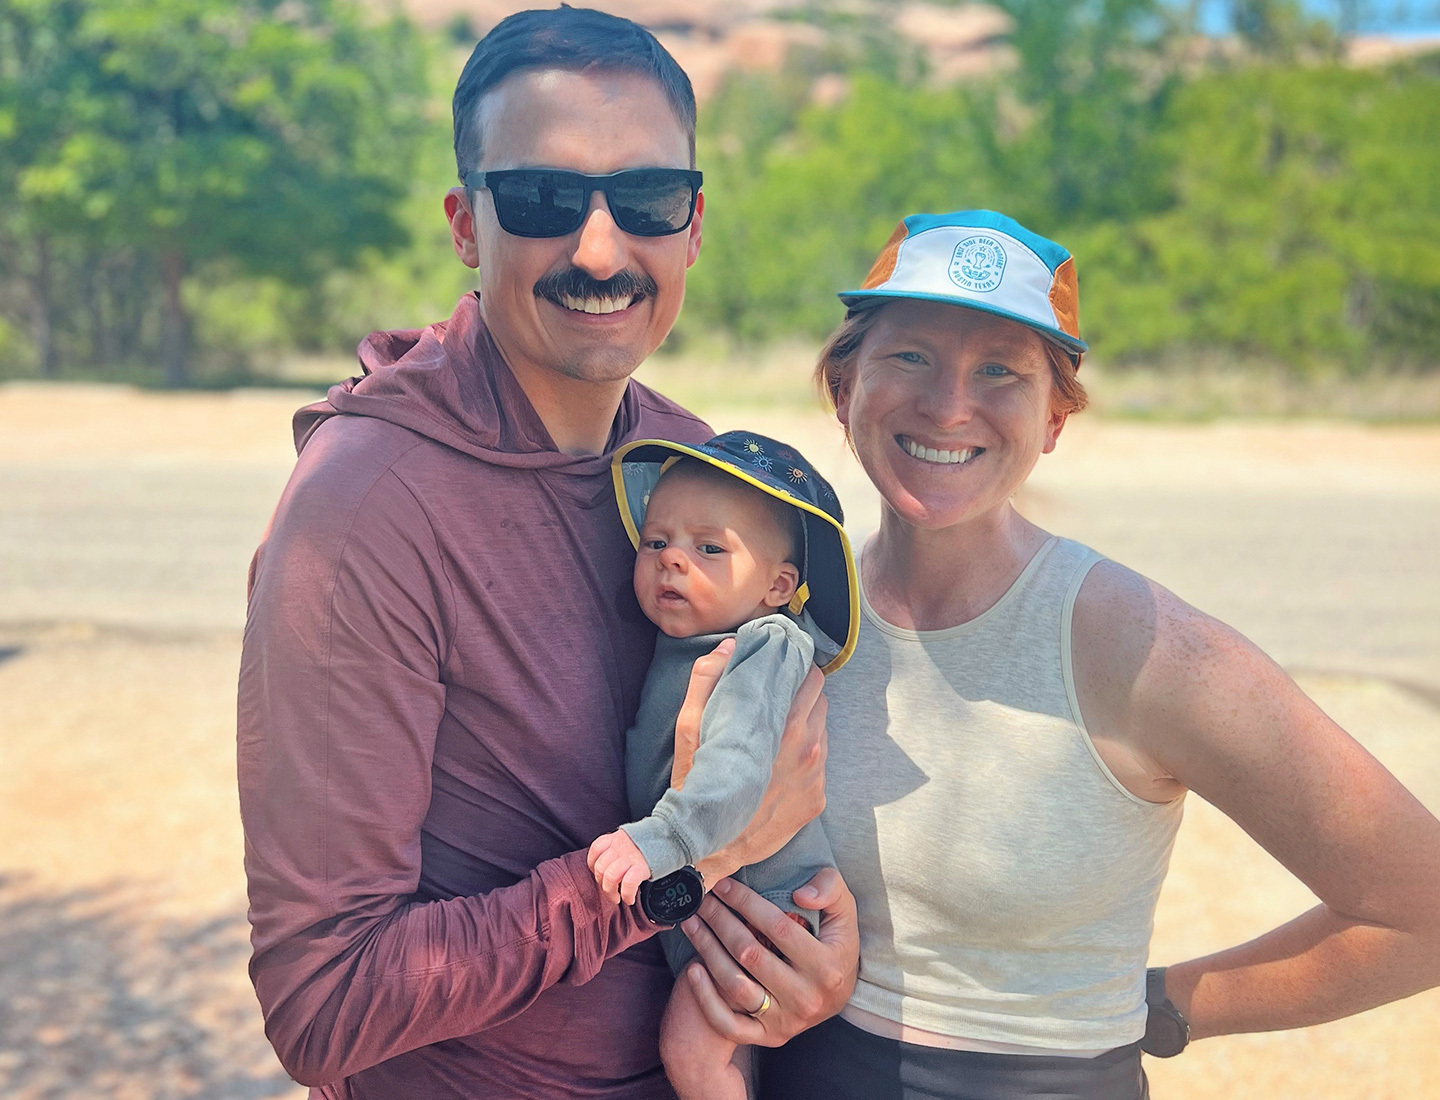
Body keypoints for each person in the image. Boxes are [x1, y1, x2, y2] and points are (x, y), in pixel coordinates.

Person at [668, 210, 1440, 1099]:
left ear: (1056, 418)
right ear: (845, 390)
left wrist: (1164, 1007)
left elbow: (1415, 907)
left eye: (1000, 370)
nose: (949, 404)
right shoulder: (790, 612)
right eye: (910, 355)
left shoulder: (1139, 643)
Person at [235, 9, 857, 1098]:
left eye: (649, 198)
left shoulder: (697, 471)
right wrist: (669, 870)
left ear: (695, 222)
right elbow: (322, 1004)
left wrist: (804, 956)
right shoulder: (368, 503)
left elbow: (777, 795)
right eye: (541, 199)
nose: (602, 250)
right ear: (467, 225)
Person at [588, 433, 860, 1099]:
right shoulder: (689, 641)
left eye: (710, 548)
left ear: (778, 585)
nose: (673, 559)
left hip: (768, 909)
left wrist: (665, 840)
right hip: (721, 902)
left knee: (691, 1050)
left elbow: (738, 767)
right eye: (656, 542)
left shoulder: (763, 646)